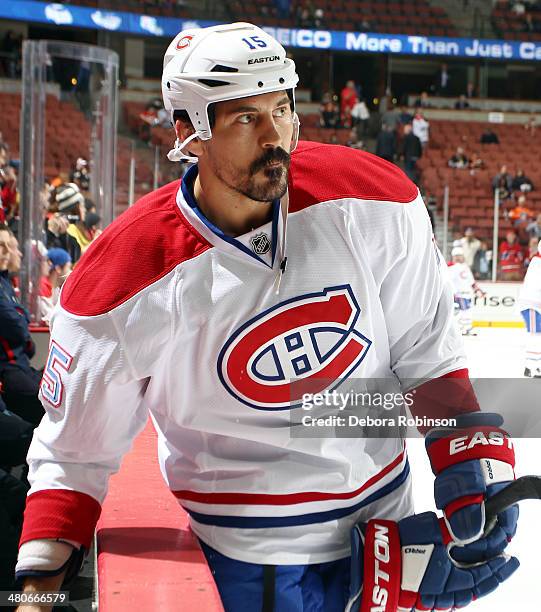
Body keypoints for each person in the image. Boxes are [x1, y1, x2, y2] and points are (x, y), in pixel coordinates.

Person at [15, 23, 519, 612]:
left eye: (282, 108)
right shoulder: (122, 277)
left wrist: (465, 455)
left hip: (386, 539)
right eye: (245, 119)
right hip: (235, 561)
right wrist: (34, 595)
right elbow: (74, 458)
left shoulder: (375, 200)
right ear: (188, 132)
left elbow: (424, 356)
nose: (276, 135)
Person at [0, 225, 44, 427]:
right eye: (12, 247)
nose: (16, 253)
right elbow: (17, 326)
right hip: (9, 371)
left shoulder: (6, 282)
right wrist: (21, 318)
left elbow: (21, 318)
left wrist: (20, 318)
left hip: (23, 364)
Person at [447, 246, 485, 336]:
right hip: (459, 294)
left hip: (467, 294)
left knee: (468, 312)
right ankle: (461, 328)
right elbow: (448, 282)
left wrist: (478, 290)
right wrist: (453, 293)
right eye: (457, 256)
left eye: (460, 255)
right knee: (462, 312)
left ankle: (467, 328)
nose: (459, 257)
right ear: (453, 257)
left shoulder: (465, 267)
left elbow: (471, 281)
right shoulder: (451, 268)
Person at [517, 239, 541, 377]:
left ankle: (530, 365)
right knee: (535, 335)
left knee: (537, 334)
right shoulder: (537, 262)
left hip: (535, 305)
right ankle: (533, 366)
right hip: (532, 305)